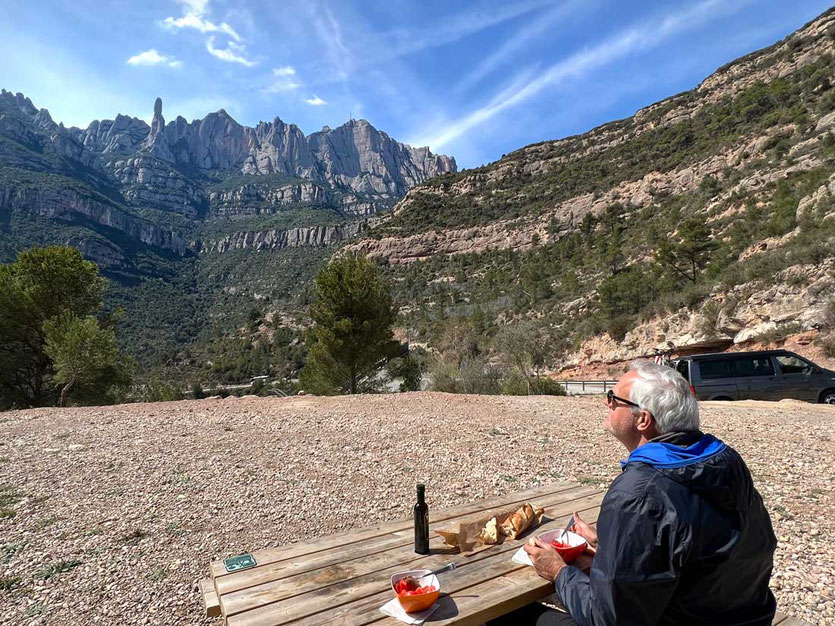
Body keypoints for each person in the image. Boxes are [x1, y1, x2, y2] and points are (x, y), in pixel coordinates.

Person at [500, 360, 777, 626]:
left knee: (506, 616)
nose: (606, 403)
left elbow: (608, 619)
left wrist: (558, 572)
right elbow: (695, 546)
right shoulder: (724, 461)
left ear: (643, 419)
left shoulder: (638, 495)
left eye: (614, 398)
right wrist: (610, 542)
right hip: (740, 616)